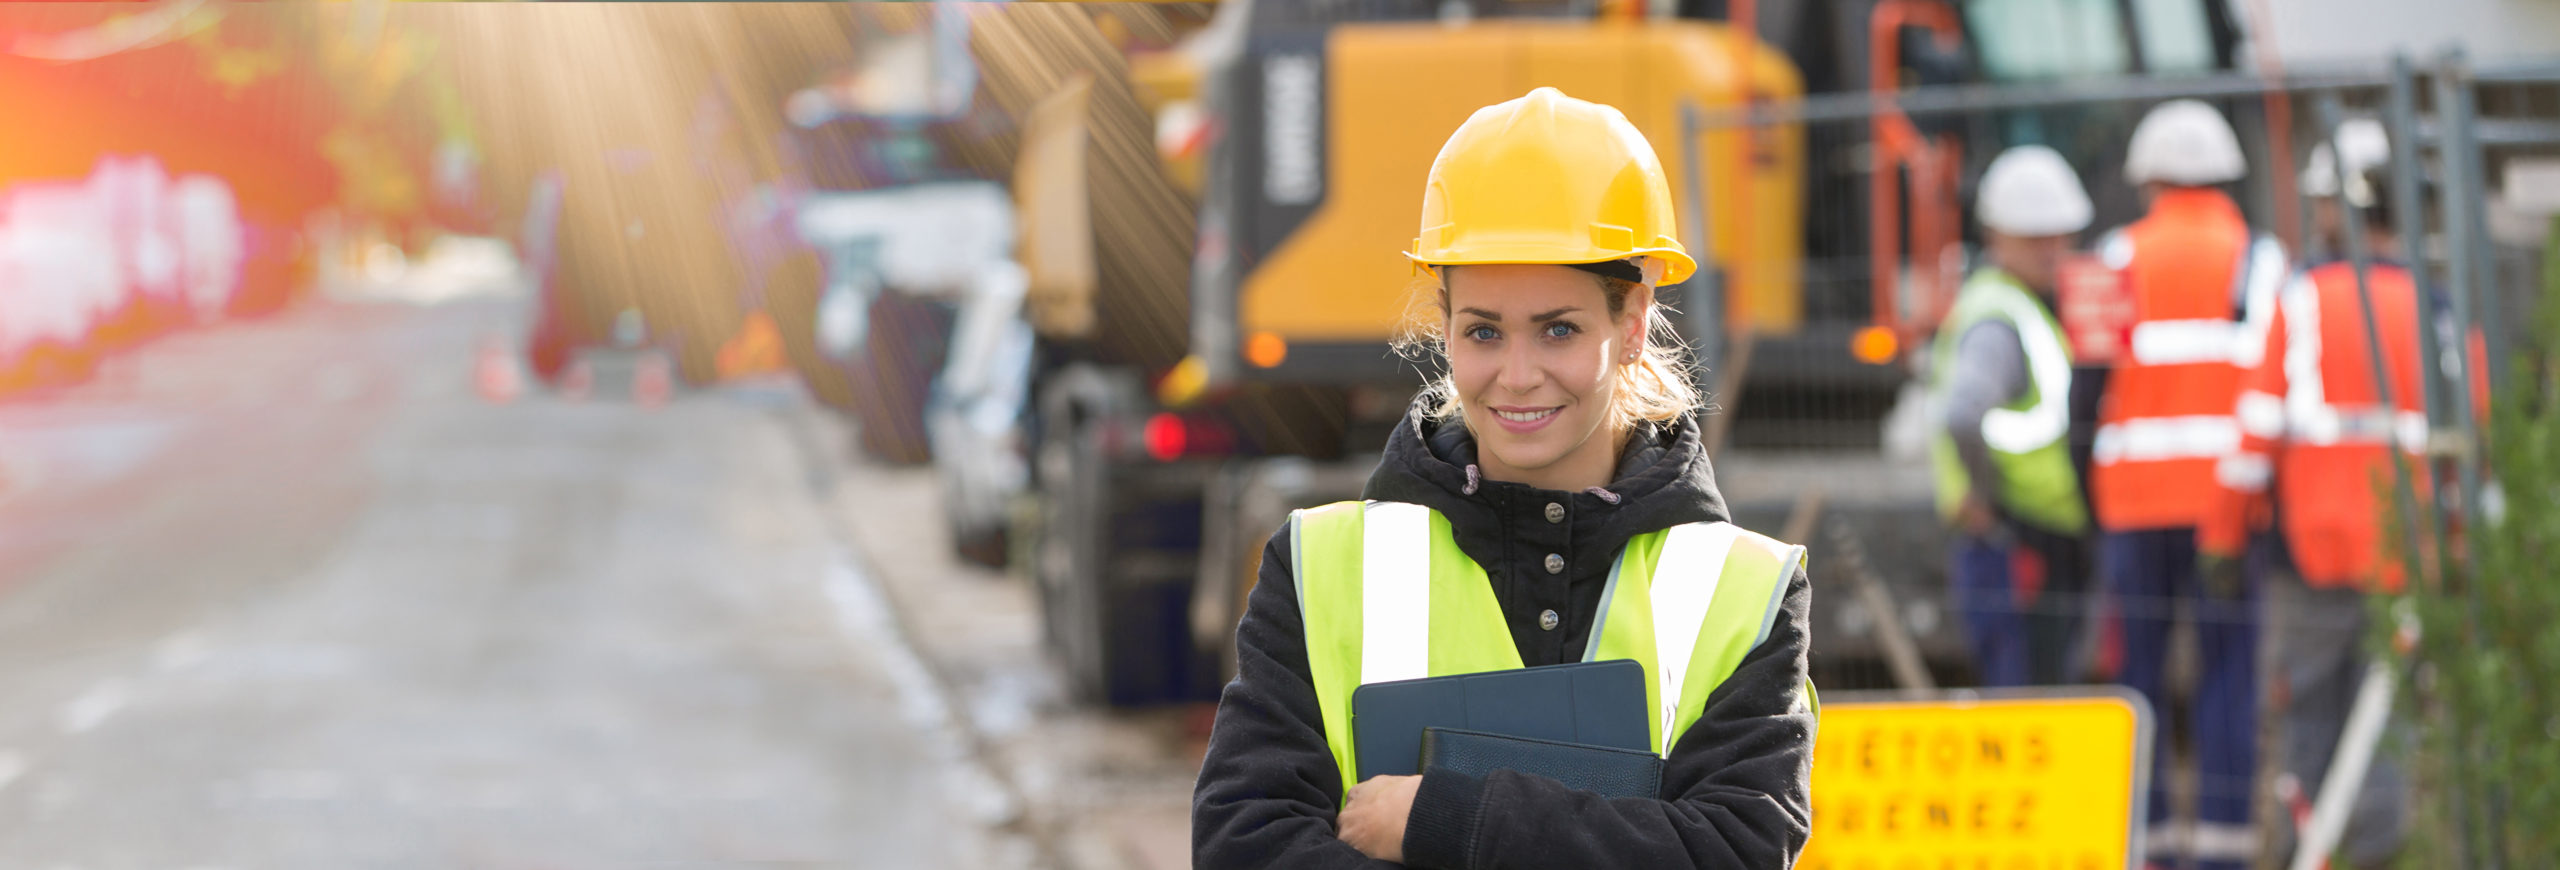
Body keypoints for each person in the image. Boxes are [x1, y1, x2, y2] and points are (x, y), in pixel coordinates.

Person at [1191, 87, 1816, 869]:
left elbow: (1736, 850)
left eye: (1558, 329)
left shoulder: (1743, 592)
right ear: (1444, 325)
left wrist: (1449, 819)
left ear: (1629, 324)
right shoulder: (1320, 566)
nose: (1517, 376)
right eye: (1483, 331)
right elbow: (1243, 842)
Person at [2199, 124, 2482, 869]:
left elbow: (2256, 432)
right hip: (2408, 551)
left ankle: (2303, 851)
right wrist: (2455, 544)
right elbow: (2470, 435)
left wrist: (2222, 538)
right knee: (2385, 721)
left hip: (2313, 552)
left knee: (2304, 717)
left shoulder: (2307, 300)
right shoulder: (2440, 308)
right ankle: (2374, 855)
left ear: (2343, 207)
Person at [2090, 99, 2285, 870]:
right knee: (2228, 672)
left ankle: (2147, 843)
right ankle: (2226, 848)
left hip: (2133, 507)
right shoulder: (2260, 260)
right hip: (2227, 509)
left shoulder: (2113, 256)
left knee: (2137, 675)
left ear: (2148, 179)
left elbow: (2085, 384)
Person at [1932, 145, 2095, 688]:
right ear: (1998, 236)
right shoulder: (1998, 319)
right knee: (2028, 695)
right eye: (2035, 237)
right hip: (2015, 536)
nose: (2054, 250)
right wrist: (1982, 498)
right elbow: (1962, 415)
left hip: (2033, 534)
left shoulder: (2021, 305)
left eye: (2060, 235)